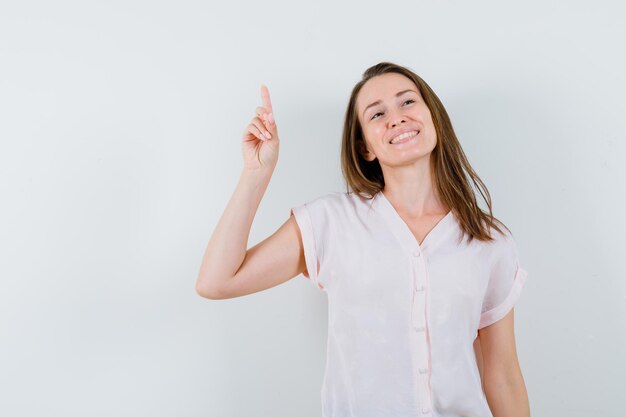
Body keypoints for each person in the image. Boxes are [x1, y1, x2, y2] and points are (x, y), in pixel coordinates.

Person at [196, 62, 531, 417]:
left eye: (407, 102)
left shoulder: (489, 240)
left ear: (433, 119)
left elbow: (503, 376)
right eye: (377, 114)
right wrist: (256, 174)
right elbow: (217, 281)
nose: (397, 118)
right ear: (365, 147)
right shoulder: (330, 222)